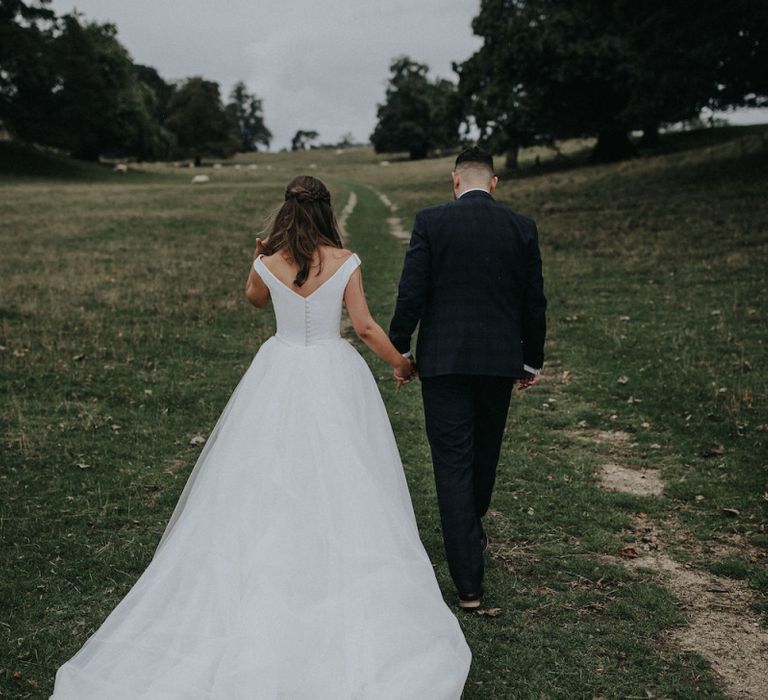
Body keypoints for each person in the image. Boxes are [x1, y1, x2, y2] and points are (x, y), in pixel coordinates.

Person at [50, 175, 471, 699]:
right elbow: (363, 328)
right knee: (344, 471)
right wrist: (401, 363)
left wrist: (258, 258)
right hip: (331, 371)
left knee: (267, 469)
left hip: (279, 367)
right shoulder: (345, 261)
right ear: (326, 211)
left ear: (286, 212)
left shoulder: (266, 263)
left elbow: (254, 300)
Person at [389, 147, 547, 610]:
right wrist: (531, 360)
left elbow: (412, 289)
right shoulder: (521, 227)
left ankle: (469, 583)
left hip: (444, 363)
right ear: (493, 182)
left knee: (453, 463)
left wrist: (402, 347)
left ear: (455, 180)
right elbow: (533, 300)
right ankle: (469, 550)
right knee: (484, 455)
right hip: (499, 362)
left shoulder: (431, 222)